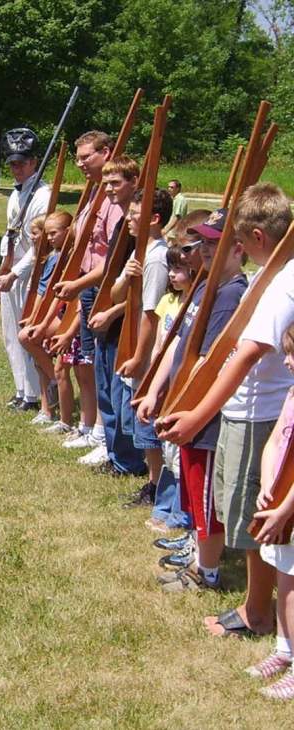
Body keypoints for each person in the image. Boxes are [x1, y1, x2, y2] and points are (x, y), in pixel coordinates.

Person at [158, 184, 294, 628]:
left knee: (257, 520)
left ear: (256, 236)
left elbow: (246, 354)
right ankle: (256, 606)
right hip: (247, 412)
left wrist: (197, 414)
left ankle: (258, 612)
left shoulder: (282, 284)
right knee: (246, 517)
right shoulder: (270, 277)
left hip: (258, 413)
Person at [141, 208, 247, 591]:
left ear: (237, 249)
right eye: (202, 241)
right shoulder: (205, 286)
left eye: (213, 243)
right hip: (181, 400)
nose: (203, 249)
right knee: (189, 483)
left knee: (205, 496)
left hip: (202, 410)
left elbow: (209, 358)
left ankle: (208, 571)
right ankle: (196, 548)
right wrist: (156, 390)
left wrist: (183, 405)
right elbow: (179, 345)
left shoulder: (232, 294)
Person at [31, 131, 119, 445]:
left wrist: (79, 284)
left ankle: (101, 433)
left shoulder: (113, 201)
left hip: (102, 289)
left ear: (106, 152)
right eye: (77, 158)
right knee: (86, 365)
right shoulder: (95, 194)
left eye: (86, 157)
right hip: (85, 288)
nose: (80, 164)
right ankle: (91, 428)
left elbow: (111, 257)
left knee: (96, 365)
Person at [111, 188, 172, 504]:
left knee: (147, 424)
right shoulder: (140, 253)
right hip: (131, 343)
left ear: (154, 218)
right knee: (134, 420)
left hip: (146, 352)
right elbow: (116, 295)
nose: (128, 219)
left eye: (135, 214)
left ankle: (156, 486)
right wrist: (126, 278)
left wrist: (139, 358)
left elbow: (151, 313)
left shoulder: (158, 258)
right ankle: (153, 482)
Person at [86, 155, 146, 475]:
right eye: (106, 182)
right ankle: (114, 455)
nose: (109, 188)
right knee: (106, 390)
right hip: (108, 316)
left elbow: (144, 288)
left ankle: (128, 460)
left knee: (122, 392)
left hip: (125, 319)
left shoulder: (139, 229)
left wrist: (112, 313)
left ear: (134, 183)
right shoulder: (122, 224)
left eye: (116, 182)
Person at [247, 322, 294, 699]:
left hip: (289, 507)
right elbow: (276, 437)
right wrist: (266, 486)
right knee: (283, 574)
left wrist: (284, 509)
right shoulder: (293, 393)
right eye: (287, 353)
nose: (288, 362)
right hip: (279, 501)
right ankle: (284, 649)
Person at [0, 128, 50, 413]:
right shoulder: (16, 195)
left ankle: (37, 393)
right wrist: (3, 270)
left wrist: (15, 273)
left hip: (30, 274)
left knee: (28, 335)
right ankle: (22, 389)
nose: (16, 168)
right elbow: (10, 236)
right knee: (10, 334)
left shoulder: (42, 196)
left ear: (34, 162)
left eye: (22, 162)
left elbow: (39, 248)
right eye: (13, 163)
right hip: (12, 273)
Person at [144, 245, 195, 533]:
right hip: (165, 380)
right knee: (167, 449)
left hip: (181, 385)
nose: (172, 275)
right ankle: (164, 507)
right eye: (171, 269)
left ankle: (179, 514)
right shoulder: (170, 301)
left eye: (178, 270)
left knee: (177, 450)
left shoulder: (195, 305)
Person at [18, 211, 71, 426]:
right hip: (46, 314)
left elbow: (49, 292)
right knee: (38, 359)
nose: (43, 238)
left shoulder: (60, 257)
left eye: (48, 233)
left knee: (26, 337)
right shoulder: (47, 258)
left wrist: (38, 321)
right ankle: (46, 408)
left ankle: (55, 383)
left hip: (61, 315)